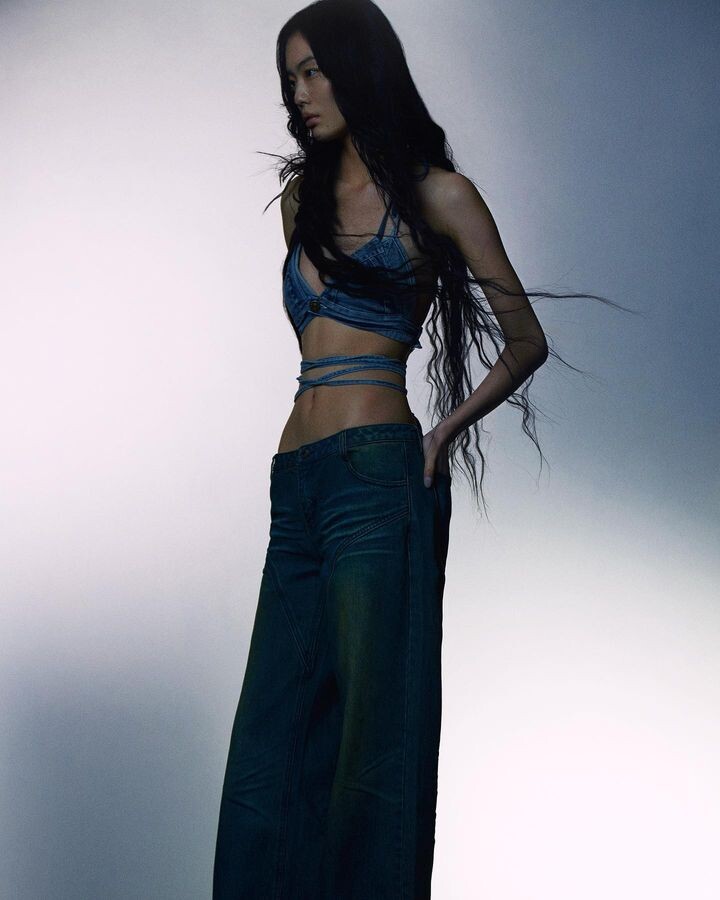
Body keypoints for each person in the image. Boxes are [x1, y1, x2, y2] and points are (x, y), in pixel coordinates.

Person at [213, 1, 554, 896]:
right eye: (290, 77)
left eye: (315, 70)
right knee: (271, 744)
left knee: (373, 741)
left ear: (360, 70)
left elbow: (526, 341)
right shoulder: (302, 201)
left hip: (377, 479)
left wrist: (444, 429)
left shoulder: (440, 194)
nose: (299, 93)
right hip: (297, 483)